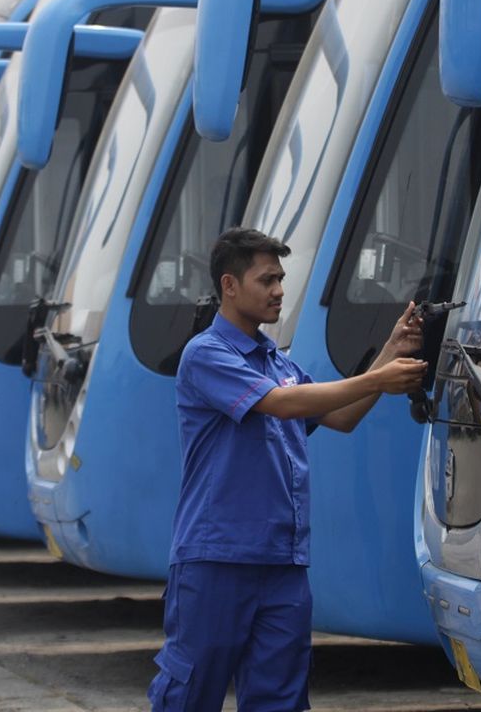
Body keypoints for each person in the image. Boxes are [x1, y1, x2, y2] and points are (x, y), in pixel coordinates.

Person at [148, 227, 428, 711]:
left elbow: (342, 417)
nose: (279, 290)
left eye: (281, 279)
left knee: (281, 697)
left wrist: (391, 351)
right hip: (217, 559)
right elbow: (279, 405)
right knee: (190, 693)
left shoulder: (280, 363)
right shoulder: (206, 355)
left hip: (282, 563)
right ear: (230, 286)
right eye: (267, 280)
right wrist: (378, 377)